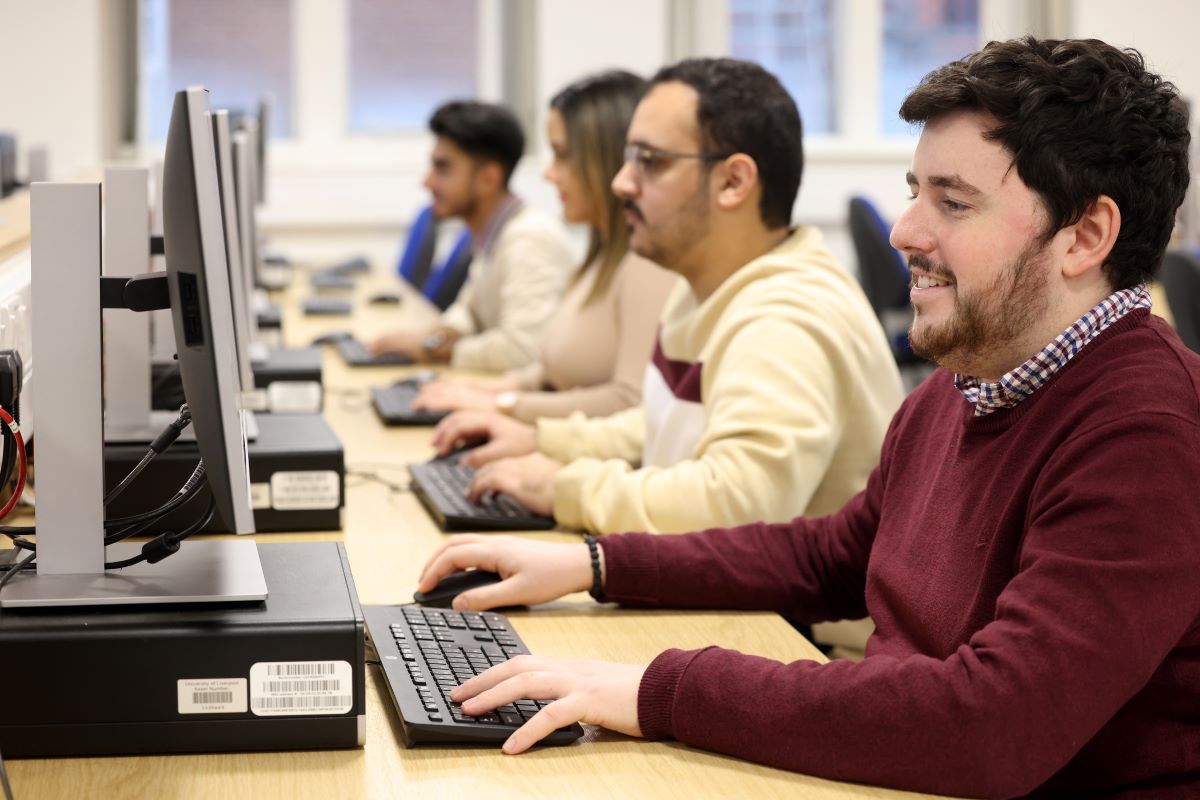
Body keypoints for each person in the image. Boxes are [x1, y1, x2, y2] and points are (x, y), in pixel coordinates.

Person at [415, 37, 1200, 797]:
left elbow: (994, 722)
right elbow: (831, 556)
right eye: (914, 192)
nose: (905, 233)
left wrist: (663, 689)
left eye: (952, 203)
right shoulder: (970, 382)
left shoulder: (1146, 432)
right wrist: (595, 566)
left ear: (1087, 236)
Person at [431, 58, 904, 534]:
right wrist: (544, 440)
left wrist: (567, 489)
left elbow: (738, 505)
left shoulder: (787, 316)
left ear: (733, 182)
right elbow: (660, 425)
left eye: (649, 161)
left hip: (777, 612)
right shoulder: (701, 289)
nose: (621, 182)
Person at [412, 71, 678, 423]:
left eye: (562, 155)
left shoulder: (645, 264)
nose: (548, 173)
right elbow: (553, 369)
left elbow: (631, 400)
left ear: (605, 160)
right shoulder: (600, 256)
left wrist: (504, 404)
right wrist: (492, 390)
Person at [369, 101, 573, 371]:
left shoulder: (530, 239)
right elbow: (470, 312)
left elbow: (523, 350)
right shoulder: (495, 230)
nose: (427, 182)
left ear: (488, 178)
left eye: (442, 169)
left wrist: (433, 351)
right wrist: (430, 338)